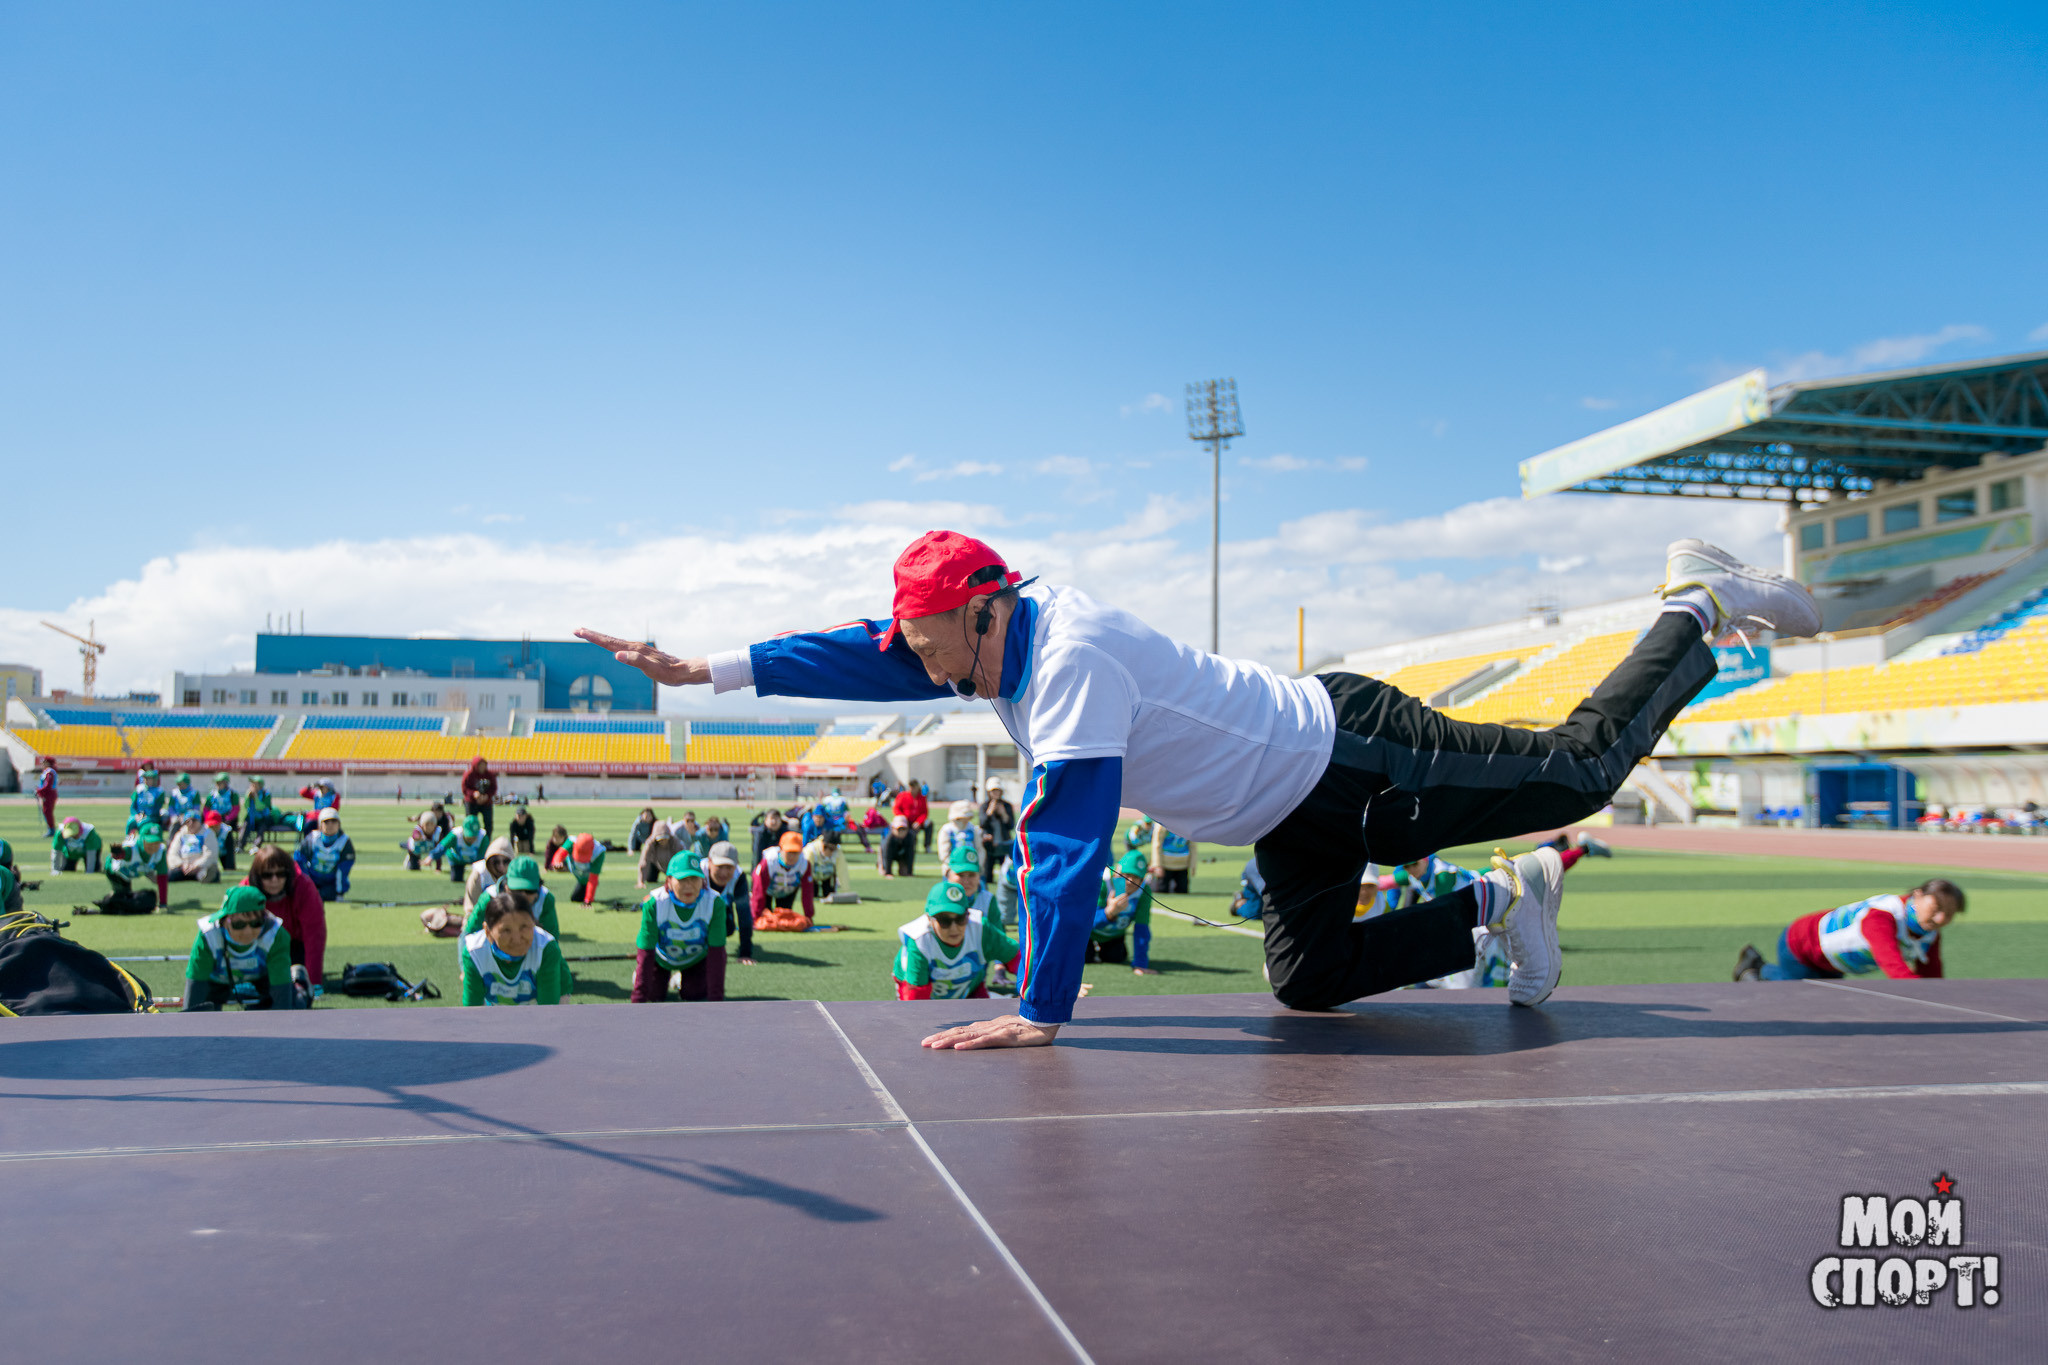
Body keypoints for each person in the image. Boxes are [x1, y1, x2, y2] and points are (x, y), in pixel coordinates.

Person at [578, 530, 1816, 1049]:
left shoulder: (1066, 663)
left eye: (928, 642)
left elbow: (1062, 848)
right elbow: (863, 644)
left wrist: (1042, 1008)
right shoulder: (979, 629)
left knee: (1584, 769)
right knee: (1307, 980)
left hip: (1355, 764)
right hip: (1284, 816)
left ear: (980, 611)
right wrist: (717, 669)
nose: (914, 663)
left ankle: (1692, 602)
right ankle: (1497, 907)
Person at [1735, 879, 1964, 982]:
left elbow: (1932, 975)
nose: (1941, 918)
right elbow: (1893, 965)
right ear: (1917, 895)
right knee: (1797, 993)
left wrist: (1937, 996)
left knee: (1828, 1000)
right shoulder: (1881, 917)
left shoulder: (1929, 933)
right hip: (1801, 944)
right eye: (1936, 909)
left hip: (1833, 962)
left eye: (1949, 914)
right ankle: (1759, 967)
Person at [458, 855, 569, 996]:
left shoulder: (546, 899)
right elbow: (468, 933)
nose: (522, 896)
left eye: (529, 890)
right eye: (516, 890)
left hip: (531, 953)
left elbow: (552, 940)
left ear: (539, 888)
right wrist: (465, 968)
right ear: (506, 886)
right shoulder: (489, 897)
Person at [181, 886, 305, 1011]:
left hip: (263, 980)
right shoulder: (208, 935)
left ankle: (300, 983)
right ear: (224, 920)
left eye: (256, 923)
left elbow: (282, 1001)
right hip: (216, 983)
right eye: (239, 925)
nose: (248, 932)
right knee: (203, 1014)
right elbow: (195, 993)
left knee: (296, 1004)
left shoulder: (275, 934)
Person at [894, 881, 1021, 1000]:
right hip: (921, 992)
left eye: (960, 918)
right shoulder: (919, 941)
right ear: (929, 919)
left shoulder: (981, 928)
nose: (954, 928)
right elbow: (916, 999)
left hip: (970, 988)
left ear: (968, 914)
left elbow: (1017, 959)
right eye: (944, 920)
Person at [631, 850, 729, 1002]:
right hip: (662, 958)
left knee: (693, 995)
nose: (689, 886)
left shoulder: (715, 903)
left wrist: (716, 1000)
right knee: (654, 995)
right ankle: (642, 976)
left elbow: (717, 954)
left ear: (702, 881)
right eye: (682, 880)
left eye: (694, 878)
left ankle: (679, 981)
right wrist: (638, 998)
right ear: (669, 880)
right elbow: (646, 951)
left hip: (696, 959)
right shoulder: (654, 903)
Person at [244, 843, 327, 993]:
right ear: (257, 876)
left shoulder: (305, 888)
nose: (274, 880)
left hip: (293, 945)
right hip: (256, 944)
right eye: (267, 875)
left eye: (280, 874)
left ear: (288, 875)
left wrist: (313, 980)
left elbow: (314, 935)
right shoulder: (245, 890)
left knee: (292, 976)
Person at [461, 892, 565, 1006]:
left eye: (524, 927)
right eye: (506, 930)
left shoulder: (546, 949)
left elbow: (548, 1008)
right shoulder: (474, 952)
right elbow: (472, 1009)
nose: (517, 939)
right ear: (487, 931)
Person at [1091, 850, 1157, 973]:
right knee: (1085, 957)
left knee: (1116, 957)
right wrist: (1109, 913)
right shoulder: (1103, 881)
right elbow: (1087, 922)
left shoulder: (1144, 892)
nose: (1130, 881)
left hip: (1114, 935)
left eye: (1136, 877)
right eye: (1127, 875)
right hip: (1088, 934)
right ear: (1118, 872)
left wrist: (1140, 964)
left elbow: (1142, 928)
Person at [704, 840, 755, 966]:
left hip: (722, 906)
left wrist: (745, 953)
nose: (724, 873)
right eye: (720, 866)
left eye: (729, 867)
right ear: (709, 862)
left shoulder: (739, 877)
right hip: (699, 911)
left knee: (728, 929)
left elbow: (744, 916)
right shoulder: (698, 874)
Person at [752, 831, 815, 923]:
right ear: (780, 849)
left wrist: (809, 916)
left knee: (784, 918)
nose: (792, 857)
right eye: (789, 852)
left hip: (788, 892)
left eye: (795, 853)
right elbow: (758, 890)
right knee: (765, 917)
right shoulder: (769, 862)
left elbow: (807, 892)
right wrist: (756, 917)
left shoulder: (804, 864)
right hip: (767, 892)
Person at [295, 808, 356, 902]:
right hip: (312, 879)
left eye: (334, 821)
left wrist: (339, 892)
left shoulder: (345, 842)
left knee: (326, 896)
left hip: (331, 883)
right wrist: (306, 883)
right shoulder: (311, 839)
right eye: (326, 822)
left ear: (339, 824)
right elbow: (299, 860)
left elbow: (343, 870)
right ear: (320, 825)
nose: (330, 825)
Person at [106, 823, 170, 909]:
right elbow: (121, 854)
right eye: (150, 842)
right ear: (142, 839)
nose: (153, 846)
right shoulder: (131, 849)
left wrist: (163, 904)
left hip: (142, 869)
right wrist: (118, 855)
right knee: (122, 896)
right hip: (119, 873)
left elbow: (162, 878)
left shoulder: (160, 852)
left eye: (156, 843)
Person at [463, 837, 517, 915]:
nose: (501, 866)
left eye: (506, 861)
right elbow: (470, 908)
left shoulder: (516, 875)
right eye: (496, 862)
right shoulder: (479, 874)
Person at [166, 815, 221, 884]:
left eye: (194, 821)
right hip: (183, 867)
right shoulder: (180, 834)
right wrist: (182, 864)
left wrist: (196, 865)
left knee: (210, 872)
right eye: (187, 822)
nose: (191, 824)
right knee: (170, 874)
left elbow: (210, 853)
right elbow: (173, 853)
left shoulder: (208, 833)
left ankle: (206, 877)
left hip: (201, 867)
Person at [979, 778, 1015, 883]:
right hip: (989, 843)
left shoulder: (1007, 806)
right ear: (989, 792)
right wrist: (989, 813)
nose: (995, 793)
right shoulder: (984, 806)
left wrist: (1004, 814)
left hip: (1004, 842)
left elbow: (1011, 825)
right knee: (987, 875)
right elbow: (982, 824)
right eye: (993, 791)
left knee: (1006, 872)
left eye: (997, 790)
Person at [204, 773, 241, 872]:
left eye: (220, 782)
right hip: (212, 819)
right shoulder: (212, 795)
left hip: (227, 819)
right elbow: (206, 809)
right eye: (217, 783)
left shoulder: (233, 794)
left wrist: (228, 819)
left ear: (226, 783)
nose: (218, 784)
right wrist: (208, 819)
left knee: (227, 837)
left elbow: (236, 809)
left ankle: (228, 864)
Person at [438, 816, 491, 886]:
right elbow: (442, 847)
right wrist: (431, 857)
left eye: (474, 837)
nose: (471, 839)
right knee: (456, 880)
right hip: (457, 859)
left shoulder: (483, 838)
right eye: (469, 837)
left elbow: (481, 857)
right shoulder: (455, 835)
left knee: (478, 880)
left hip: (475, 859)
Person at [554, 833, 606, 904]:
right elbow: (560, 853)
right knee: (576, 898)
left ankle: (585, 889)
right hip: (578, 873)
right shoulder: (571, 842)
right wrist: (557, 862)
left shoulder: (599, 853)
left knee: (576, 898)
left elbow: (593, 878)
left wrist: (588, 901)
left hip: (586, 878)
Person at [1149, 821, 1197, 895]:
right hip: (1166, 864)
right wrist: (1157, 865)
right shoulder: (1162, 822)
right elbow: (1157, 844)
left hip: (1183, 864)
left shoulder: (1189, 822)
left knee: (1183, 891)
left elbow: (1193, 845)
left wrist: (1192, 864)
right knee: (1163, 891)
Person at [240, 776, 286, 848]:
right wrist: (247, 797)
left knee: (261, 829)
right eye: (252, 784)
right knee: (245, 826)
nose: (253, 786)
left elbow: (260, 807)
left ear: (260, 785)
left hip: (263, 818)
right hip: (252, 817)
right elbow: (246, 806)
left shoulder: (266, 794)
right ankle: (240, 846)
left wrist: (255, 797)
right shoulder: (249, 793)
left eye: (255, 784)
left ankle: (256, 846)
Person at [804, 830, 847, 900]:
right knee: (813, 895)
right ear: (824, 845)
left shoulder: (837, 852)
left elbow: (842, 872)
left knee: (829, 895)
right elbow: (806, 872)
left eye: (834, 849)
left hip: (827, 876)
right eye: (831, 849)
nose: (832, 852)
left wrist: (845, 892)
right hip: (812, 876)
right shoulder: (810, 851)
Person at [461, 756, 498, 838]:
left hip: (486, 802)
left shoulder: (490, 775)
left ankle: (487, 840)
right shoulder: (469, 774)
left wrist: (487, 796)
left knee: (488, 823)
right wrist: (473, 794)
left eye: (484, 765)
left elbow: (493, 788)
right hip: (472, 802)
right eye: (480, 765)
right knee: (471, 821)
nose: (482, 767)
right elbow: (465, 788)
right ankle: (470, 839)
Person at [637, 819, 680, 889]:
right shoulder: (649, 843)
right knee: (650, 879)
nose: (663, 841)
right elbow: (644, 861)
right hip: (655, 864)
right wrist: (640, 882)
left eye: (665, 838)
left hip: (672, 865)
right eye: (660, 839)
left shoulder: (675, 842)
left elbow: (681, 859)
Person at [126, 766, 167, 836]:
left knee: (144, 824)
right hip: (138, 815)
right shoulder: (139, 789)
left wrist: (146, 816)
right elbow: (133, 806)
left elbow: (157, 808)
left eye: (149, 779)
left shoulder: (159, 791)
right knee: (130, 822)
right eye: (145, 778)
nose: (146, 780)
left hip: (152, 816)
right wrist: (136, 815)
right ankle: (129, 841)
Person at [936, 800, 978, 865]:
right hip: (952, 866)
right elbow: (943, 852)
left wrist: (978, 864)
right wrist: (951, 864)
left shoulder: (972, 829)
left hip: (971, 865)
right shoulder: (947, 830)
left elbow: (979, 848)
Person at [894, 780, 931, 852]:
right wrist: (903, 818)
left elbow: (924, 813)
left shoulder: (922, 798)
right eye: (911, 787)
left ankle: (927, 846)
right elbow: (896, 808)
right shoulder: (903, 796)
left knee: (929, 824)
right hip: (906, 820)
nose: (912, 790)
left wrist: (919, 822)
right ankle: (901, 846)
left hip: (917, 821)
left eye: (914, 788)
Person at [1228, 853, 1265, 919]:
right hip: (1253, 875)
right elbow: (1265, 891)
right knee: (1255, 912)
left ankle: (1241, 900)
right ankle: (1238, 906)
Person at [879, 813, 916, 878]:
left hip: (901, 855)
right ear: (893, 828)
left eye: (903, 829)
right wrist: (888, 872)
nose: (901, 832)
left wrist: (909, 872)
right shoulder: (889, 839)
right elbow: (886, 856)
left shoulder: (910, 837)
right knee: (883, 872)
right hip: (889, 854)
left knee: (904, 872)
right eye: (898, 829)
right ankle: (883, 867)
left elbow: (910, 855)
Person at [35, 757, 58, 835]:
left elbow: (48, 785)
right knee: (46, 811)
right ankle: (50, 829)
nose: (42, 764)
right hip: (46, 794)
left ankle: (51, 830)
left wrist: (39, 791)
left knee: (47, 811)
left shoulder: (50, 772)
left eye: (44, 762)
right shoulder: (46, 772)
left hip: (49, 794)